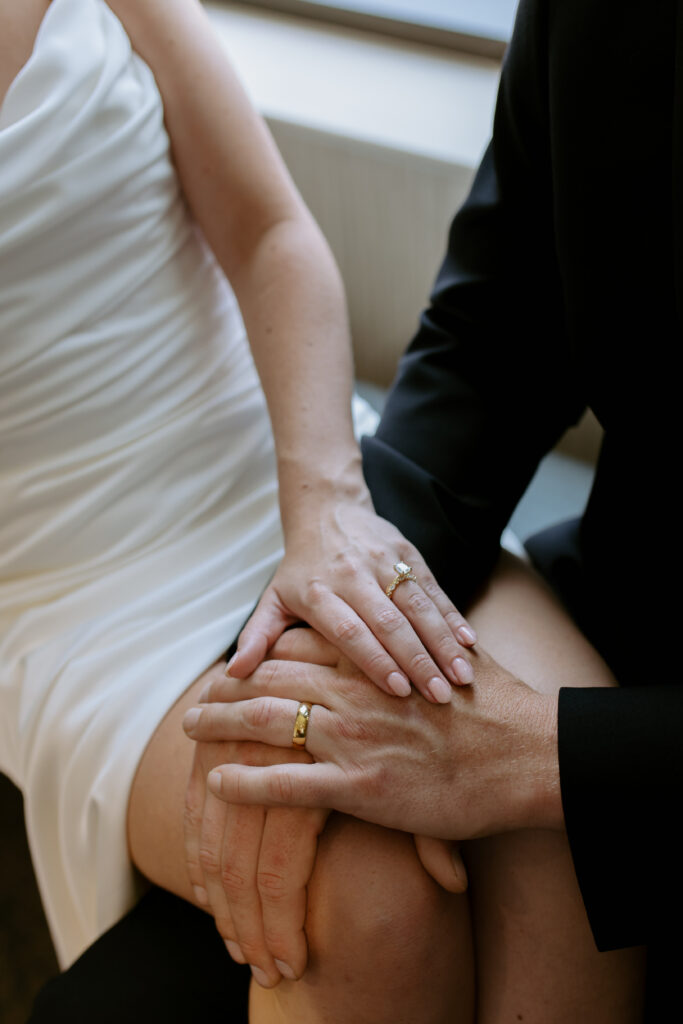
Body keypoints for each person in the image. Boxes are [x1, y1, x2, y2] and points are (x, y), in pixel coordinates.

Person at [1, 0, 648, 1022]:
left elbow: (269, 231)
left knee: (554, 835)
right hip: (87, 585)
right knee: (363, 899)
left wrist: (329, 511)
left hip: (301, 475)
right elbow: (500, 315)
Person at [181, 0, 683, 1018]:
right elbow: (495, 330)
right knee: (340, 895)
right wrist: (310, 643)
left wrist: (541, 755)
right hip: (634, 595)